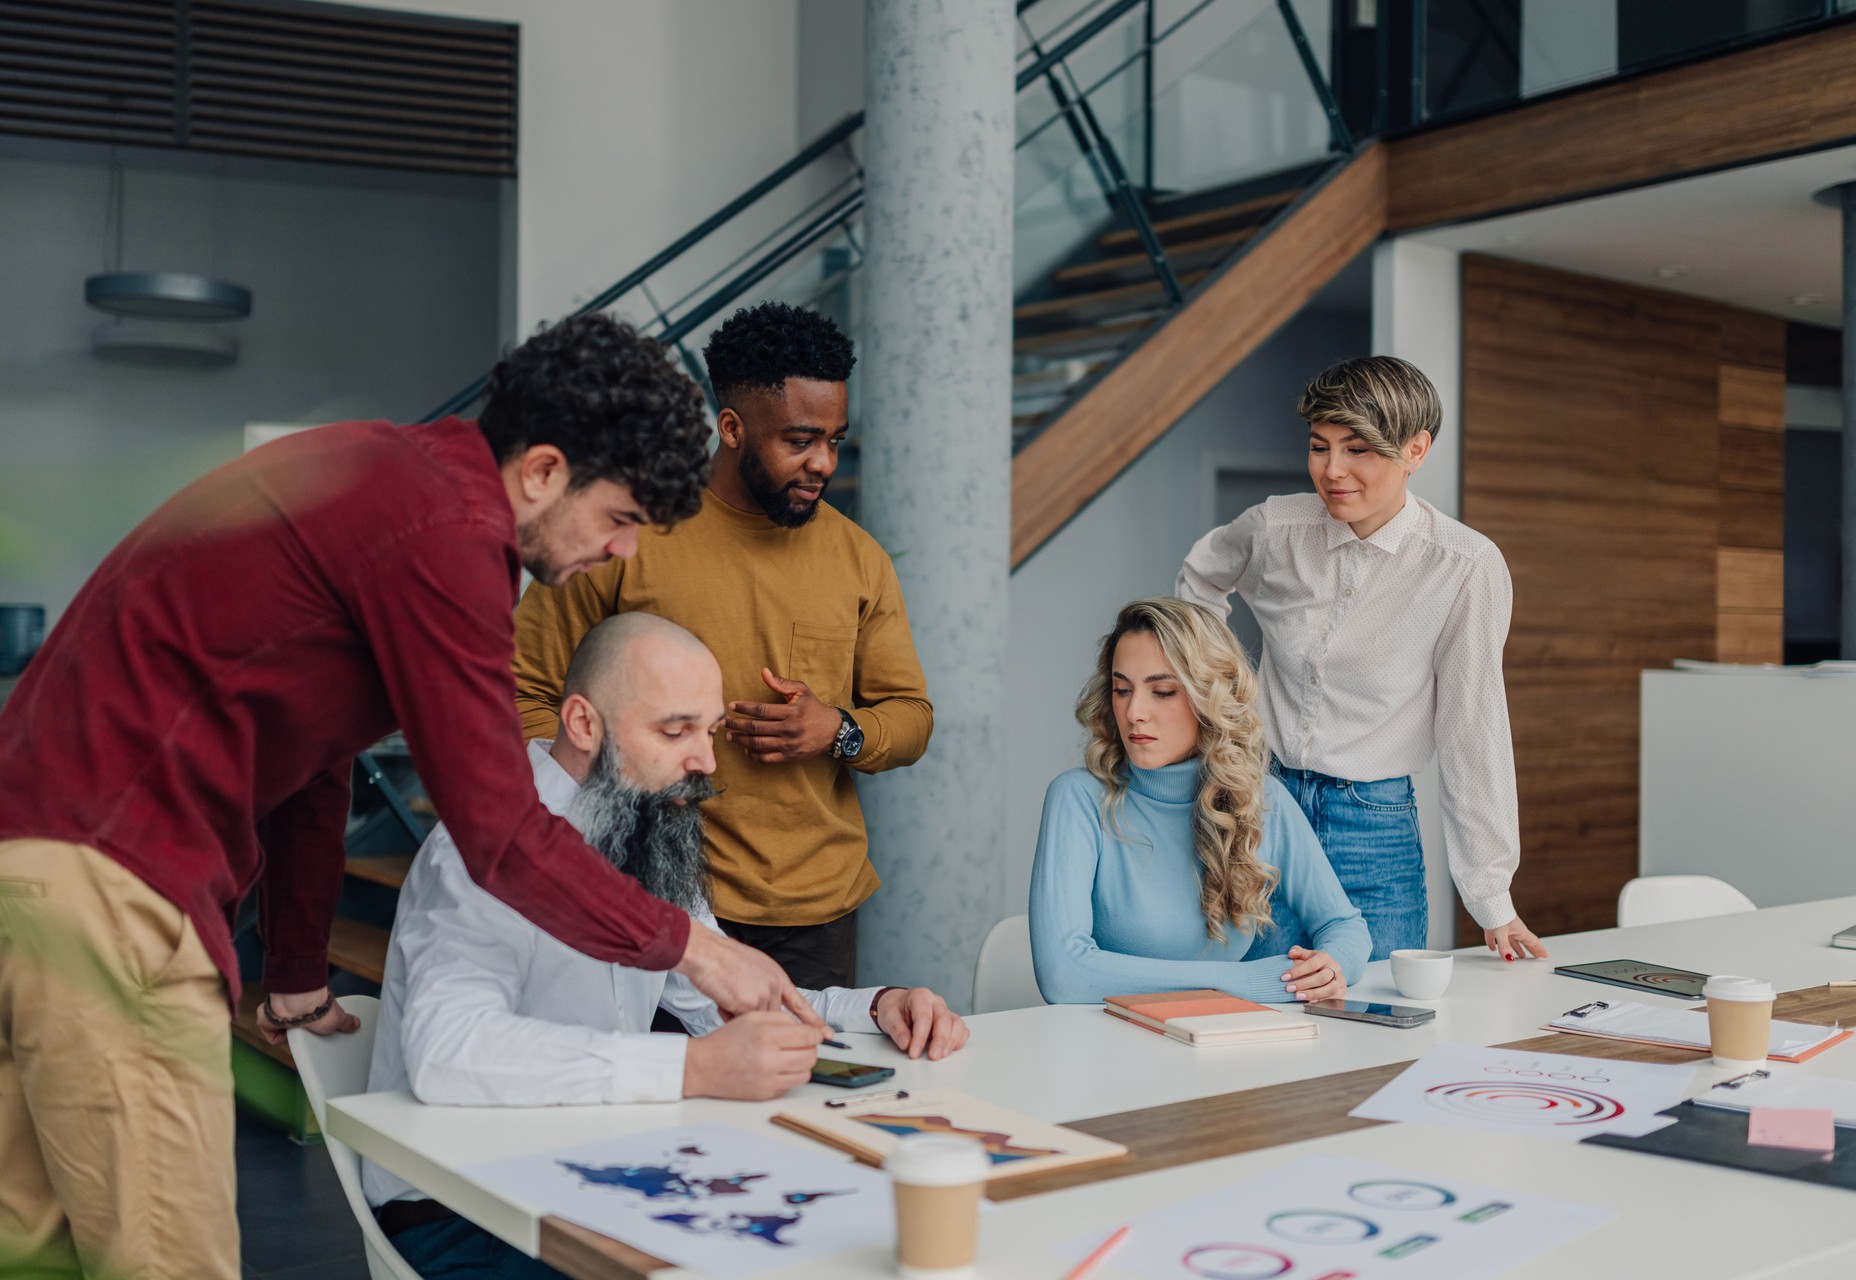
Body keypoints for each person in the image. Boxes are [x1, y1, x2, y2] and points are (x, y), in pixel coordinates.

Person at [0, 313, 818, 1280]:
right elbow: (500, 834)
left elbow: (309, 752)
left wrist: (298, 966)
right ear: (545, 471)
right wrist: (694, 948)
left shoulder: (389, 485)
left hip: (39, 868)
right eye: (622, 518)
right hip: (114, 882)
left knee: (45, 1251)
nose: (625, 554)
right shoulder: (448, 534)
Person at [363, 613, 967, 1279]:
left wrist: (879, 1006)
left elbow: (726, 1007)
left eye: (707, 732)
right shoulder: (481, 850)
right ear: (584, 724)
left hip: (592, 1173)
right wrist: (694, 1070)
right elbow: (447, 1054)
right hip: (460, 1208)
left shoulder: (645, 823)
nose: (706, 763)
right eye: (675, 731)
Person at [513, 302, 933, 990]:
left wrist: (840, 728)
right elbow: (528, 692)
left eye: (835, 439)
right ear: (732, 428)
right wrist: (593, 810)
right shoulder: (629, 532)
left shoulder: (861, 559)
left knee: (804, 1089)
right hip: (646, 890)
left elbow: (911, 717)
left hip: (813, 912)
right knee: (657, 1088)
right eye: (799, 440)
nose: (823, 461)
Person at [1177, 355, 1545, 963]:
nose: (1331, 470)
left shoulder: (1463, 566)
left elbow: (1471, 730)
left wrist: (1492, 898)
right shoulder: (1274, 529)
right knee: (1254, 1011)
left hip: (1374, 823)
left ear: (1415, 450)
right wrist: (1223, 694)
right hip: (1262, 808)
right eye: (1319, 447)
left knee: (1374, 1015)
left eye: (1358, 450)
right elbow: (1200, 578)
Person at [1029, 597, 1371, 1005]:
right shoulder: (1077, 799)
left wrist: (1332, 967)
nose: (1134, 711)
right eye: (1122, 690)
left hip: (1219, 1047)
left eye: (1163, 691)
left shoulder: (1262, 801)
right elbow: (1064, 975)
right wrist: (1245, 982)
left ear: (1210, 698)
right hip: (1107, 1050)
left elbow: (1346, 928)